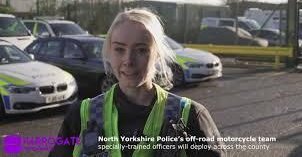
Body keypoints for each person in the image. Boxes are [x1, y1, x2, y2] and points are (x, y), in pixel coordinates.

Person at [49, 8, 225, 157]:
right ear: (109, 52)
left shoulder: (191, 116)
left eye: (141, 50)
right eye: (119, 49)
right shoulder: (80, 116)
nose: (128, 60)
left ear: (156, 54)